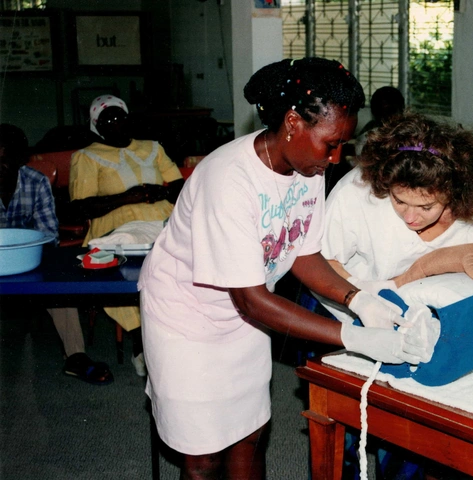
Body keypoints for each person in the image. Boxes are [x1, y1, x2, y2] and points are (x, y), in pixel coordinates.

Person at [138, 57, 432, 480]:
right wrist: (354, 337)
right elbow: (252, 300)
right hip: (187, 317)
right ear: (292, 122)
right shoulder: (229, 180)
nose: (335, 158)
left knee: (249, 435)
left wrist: (359, 299)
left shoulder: (305, 167)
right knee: (202, 458)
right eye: (330, 143)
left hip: (246, 317)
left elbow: (302, 253)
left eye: (342, 146)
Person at [320, 112, 473, 479]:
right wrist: (366, 296)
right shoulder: (358, 191)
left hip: (432, 321)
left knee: (409, 432)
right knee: (345, 424)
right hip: (350, 305)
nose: (410, 217)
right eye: (399, 202)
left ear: (457, 193)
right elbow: (323, 259)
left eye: (426, 207)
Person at [67, 95, 185, 377]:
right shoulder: (85, 156)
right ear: (97, 126)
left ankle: (176, 335)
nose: (117, 123)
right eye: (109, 119)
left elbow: (180, 185)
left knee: (177, 260)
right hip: (115, 224)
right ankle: (141, 343)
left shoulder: (152, 148)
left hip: (160, 217)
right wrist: (128, 197)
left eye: (121, 116)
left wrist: (163, 191)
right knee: (135, 271)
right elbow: (80, 206)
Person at [0, 123, 113, 385]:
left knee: (58, 286)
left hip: (25, 261)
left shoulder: (36, 182)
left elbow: (49, 234)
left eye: (4, 162)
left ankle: (76, 356)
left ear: (19, 160)